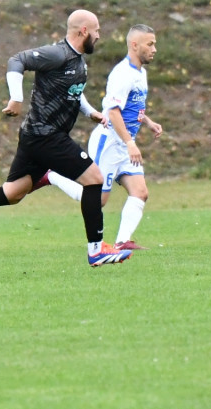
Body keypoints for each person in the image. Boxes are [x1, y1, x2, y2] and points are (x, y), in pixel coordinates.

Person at [0, 9, 132, 267]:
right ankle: (96, 250)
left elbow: (73, 91)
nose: (99, 36)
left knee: (13, 192)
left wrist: (90, 112)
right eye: (96, 30)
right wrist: (16, 97)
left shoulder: (77, 61)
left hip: (35, 137)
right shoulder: (57, 53)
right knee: (95, 180)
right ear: (83, 31)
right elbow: (17, 60)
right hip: (46, 136)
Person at [41, 25, 164, 251]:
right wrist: (130, 143)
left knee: (140, 192)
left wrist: (147, 122)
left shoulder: (141, 73)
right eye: (150, 44)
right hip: (109, 142)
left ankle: (122, 241)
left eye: (154, 43)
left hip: (125, 145)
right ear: (134, 45)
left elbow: (131, 106)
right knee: (97, 200)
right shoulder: (122, 74)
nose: (154, 49)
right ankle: (53, 175)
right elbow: (113, 112)